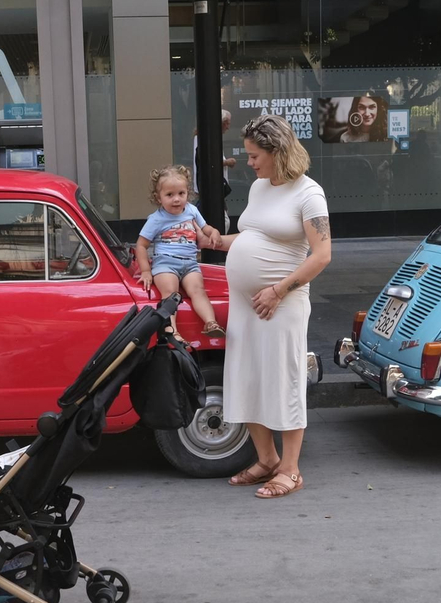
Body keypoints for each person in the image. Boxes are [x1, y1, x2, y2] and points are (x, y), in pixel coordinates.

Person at [200, 114, 332, 499]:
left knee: (282, 380)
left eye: (256, 155)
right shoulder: (260, 187)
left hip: (282, 303)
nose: (250, 162)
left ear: (278, 151)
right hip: (247, 303)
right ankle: (267, 459)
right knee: (247, 377)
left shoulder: (309, 194)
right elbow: (252, 236)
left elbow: (322, 255)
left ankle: (290, 470)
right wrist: (216, 241)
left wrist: (278, 290)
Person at [135, 165, 224, 338]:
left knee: (198, 290)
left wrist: (213, 232)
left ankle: (210, 322)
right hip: (165, 262)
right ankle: (172, 330)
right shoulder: (156, 219)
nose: (176, 199)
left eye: (181, 194)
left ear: (187, 193)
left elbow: (205, 227)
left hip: (190, 263)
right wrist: (146, 270)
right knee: (170, 293)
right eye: (169, 195)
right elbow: (141, 245)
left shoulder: (191, 210)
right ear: (158, 197)